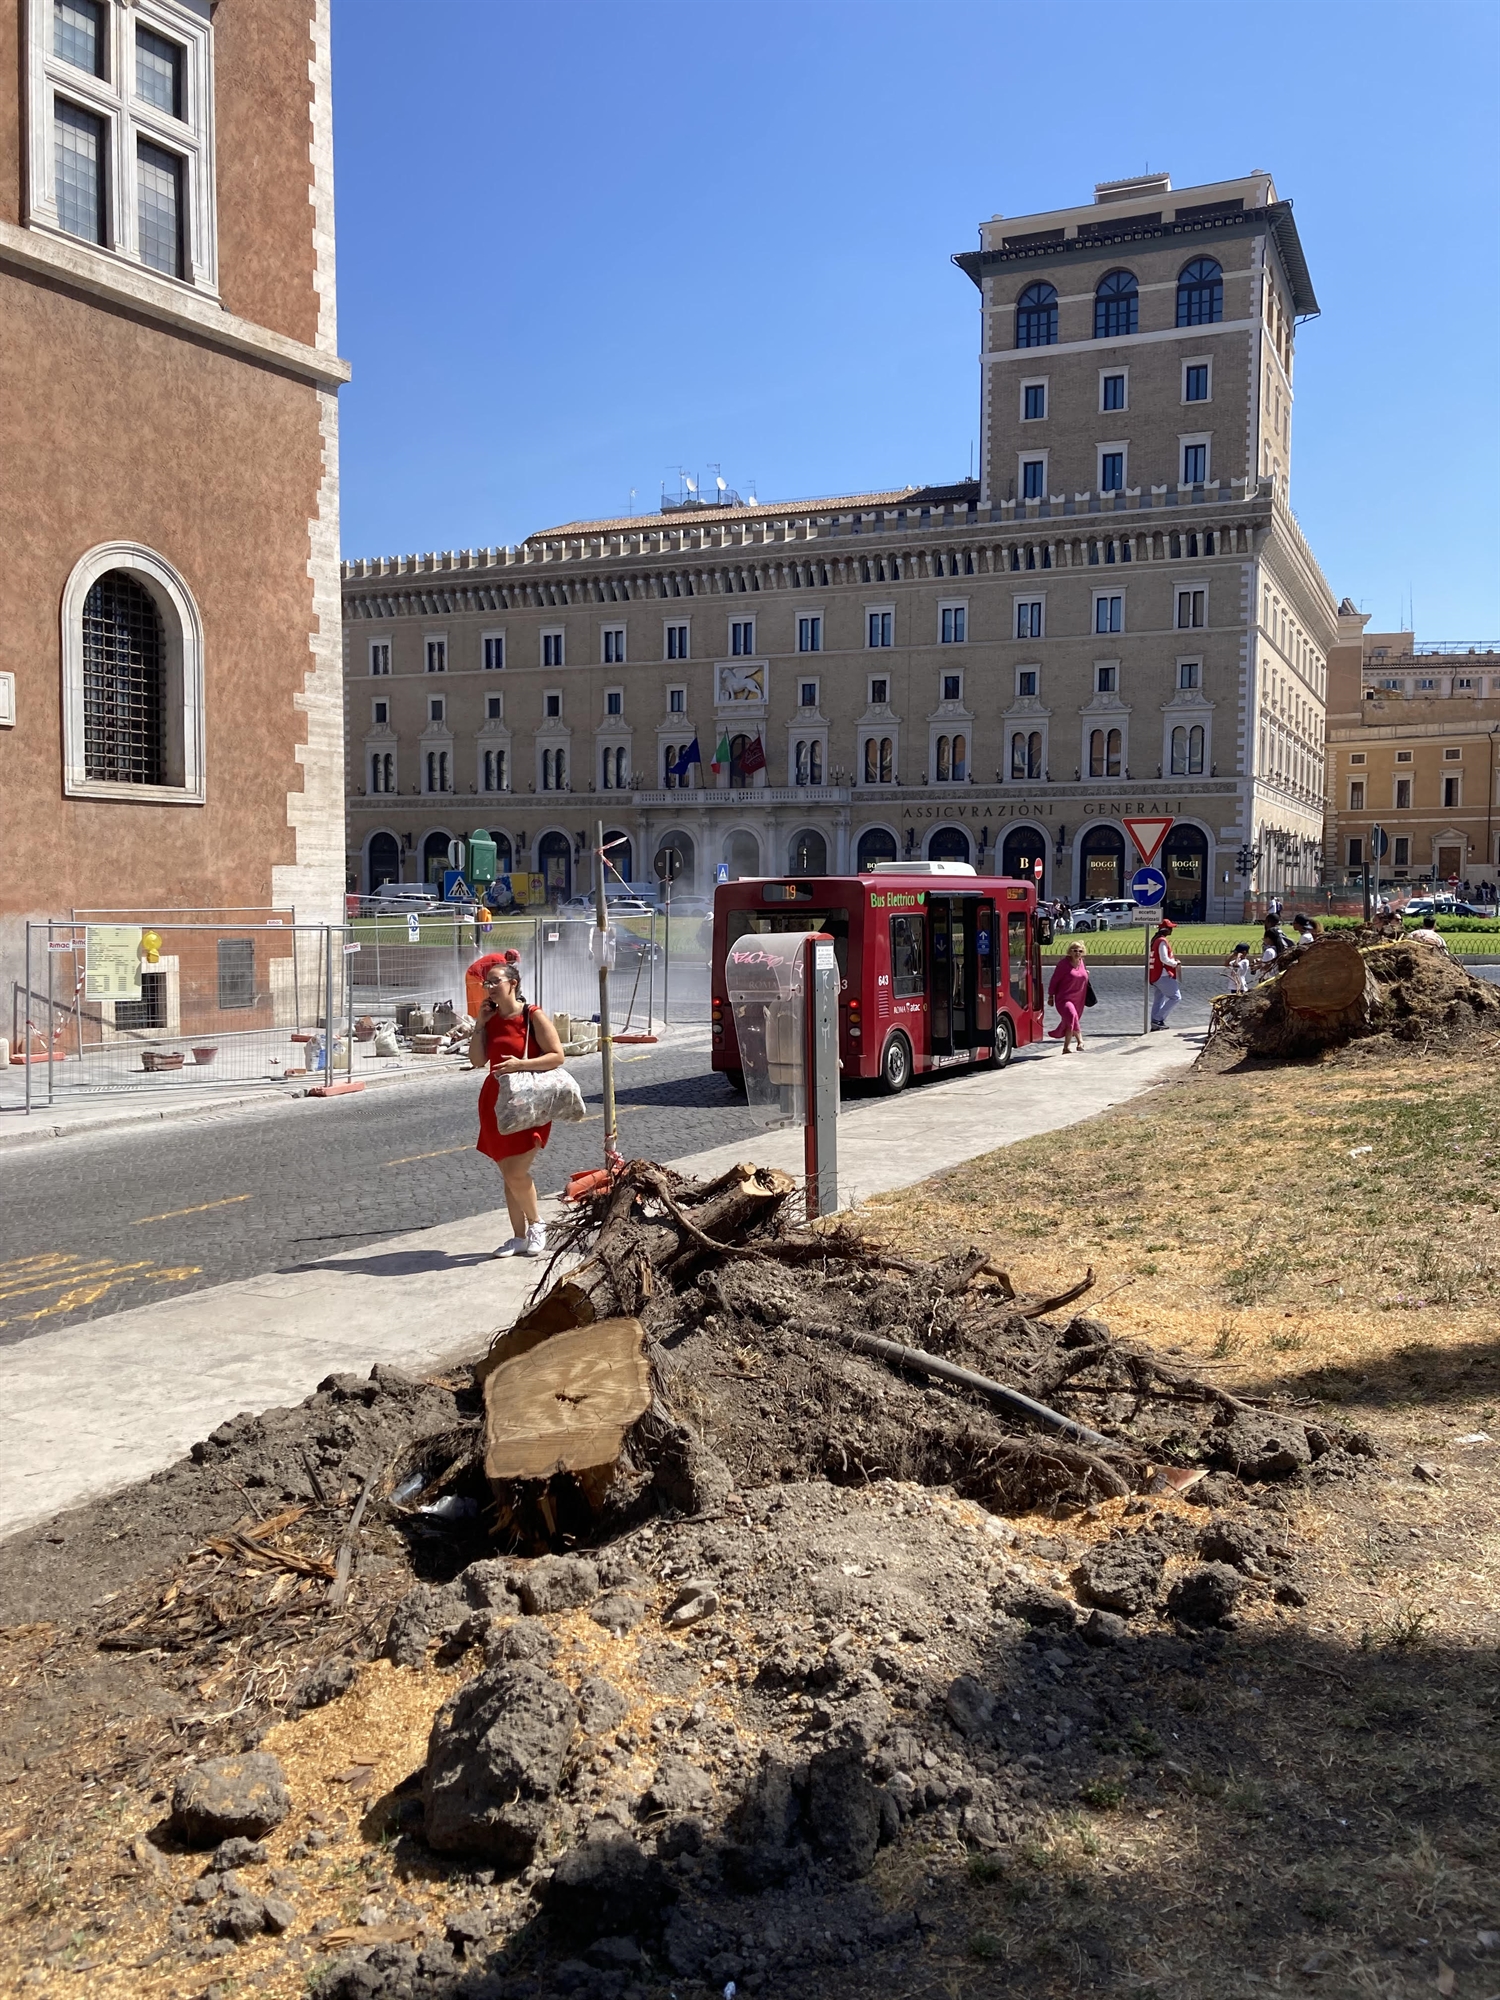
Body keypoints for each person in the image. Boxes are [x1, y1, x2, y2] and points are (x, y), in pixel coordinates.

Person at [467, 949, 566, 1257]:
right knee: (507, 1174)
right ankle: (518, 1237)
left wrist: (519, 1065)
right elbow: (477, 1060)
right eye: (487, 983)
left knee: (516, 1172)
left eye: (495, 981)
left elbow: (557, 1056)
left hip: (528, 1102)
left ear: (513, 983)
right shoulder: (491, 1019)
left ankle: (538, 1224)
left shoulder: (531, 1015)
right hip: (496, 1103)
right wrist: (480, 1025)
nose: (489, 987)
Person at [1047, 941, 1090, 1053]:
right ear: (1069, 952)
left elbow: (1082, 975)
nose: (1077, 953)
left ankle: (1066, 1047)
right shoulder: (1063, 964)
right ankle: (1080, 1041)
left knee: (1070, 1020)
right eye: (1074, 951)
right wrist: (1050, 996)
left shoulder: (1081, 962)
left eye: (1080, 951)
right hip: (1064, 998)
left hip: (1078, 998)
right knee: (1071, 1015)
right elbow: (1054, 980)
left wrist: (1086, 974)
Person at [1149, 919, 1181, 1030]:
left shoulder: (1156, 940)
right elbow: (1164, 958)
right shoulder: (1162, 941)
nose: (1172, 930)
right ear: (1165, 929)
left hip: (1155, 974)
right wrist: (1175, 963)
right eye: (1170, 928)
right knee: (1176, 997)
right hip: (1162, 974)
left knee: (1159, 998)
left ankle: (1155, 1022)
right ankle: (1158, 1019)